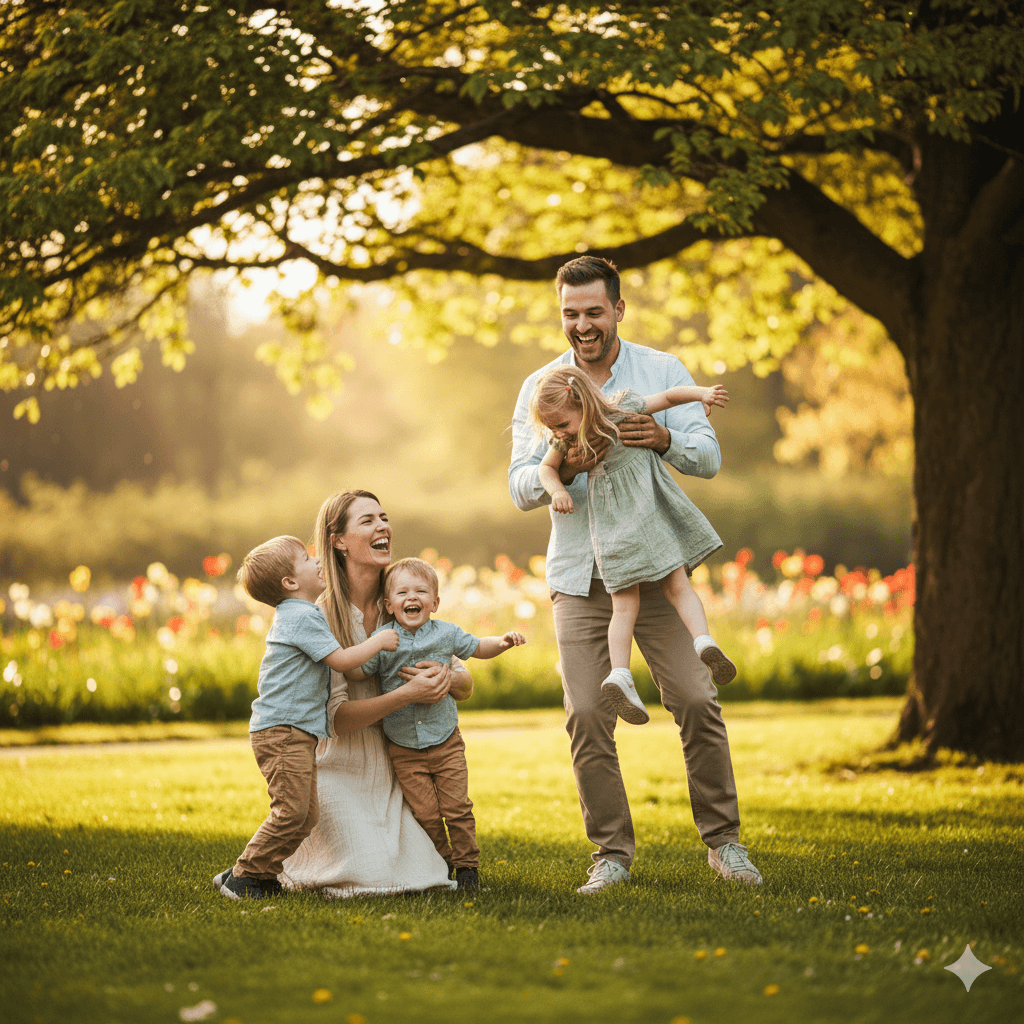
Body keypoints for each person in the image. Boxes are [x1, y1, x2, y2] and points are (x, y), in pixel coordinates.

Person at [509, 255, 762, 894]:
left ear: (618, 310)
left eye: (594, 312)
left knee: (698, 698)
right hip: (581, 574)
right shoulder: (543, 385)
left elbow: (707, 457)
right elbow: (519, 484)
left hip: (651, 563)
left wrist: (662, 440)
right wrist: (563, 465)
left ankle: (725, 844)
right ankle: (612, 855)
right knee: (589, 712)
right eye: (571, 314)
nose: (582, 325)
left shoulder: (660, 371)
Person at [279, 490, 468, 897]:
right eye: (367, 521)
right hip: (339, 764)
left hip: (400, 761)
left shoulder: (403, 598)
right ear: (338, 540)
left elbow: (465, 683)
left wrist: (444, 679)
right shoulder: (320, 615)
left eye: (384, 518)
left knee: (425, 875)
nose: (383, 526)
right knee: (370, 872)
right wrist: (407, 694)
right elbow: (337, 720)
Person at [530, 366, 736, 727]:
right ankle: (702, 640)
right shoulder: (621, 410)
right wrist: (702, 393)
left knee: (623, 607)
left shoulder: (610, 418)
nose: (557, 433)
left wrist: (559, 489)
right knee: (679, 587)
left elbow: (547, 470)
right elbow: (671, 396)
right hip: (654, 526)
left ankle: (621, 675)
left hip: (613, 537)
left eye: (561, 424)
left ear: (581, 402)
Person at [213, 535, 401, 899]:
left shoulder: (301, 614)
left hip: (293, 731)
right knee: (291, 811)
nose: (317, 560)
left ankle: (255, 871)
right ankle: (245, 876)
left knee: (305, 815)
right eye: (305, 557)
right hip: (282, 732)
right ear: (290, 583)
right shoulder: (300, 616)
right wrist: (379, 640)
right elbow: (343, 661)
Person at [355, 557, 526, 890]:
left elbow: (477, 646)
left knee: (457, 808)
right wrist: (361, 649)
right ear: (389, 605)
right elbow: (358, 670)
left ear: (434, 602)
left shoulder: (447, 634)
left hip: (446, 740)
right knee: (426, 814)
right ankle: (442, 861)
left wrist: (502, 642)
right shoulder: (383, 639)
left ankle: (467, 869)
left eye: (420, 590)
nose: (411, 597)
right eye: (402, 592)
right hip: (404, 746)